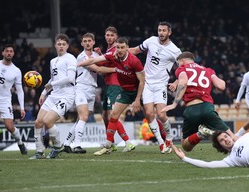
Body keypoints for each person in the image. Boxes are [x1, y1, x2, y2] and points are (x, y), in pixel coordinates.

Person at [78, 37, 145, 156]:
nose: (119, 50)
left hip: (137, 90)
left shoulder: (134, 61)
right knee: (112, 116)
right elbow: (93, 61)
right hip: (124, 91)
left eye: (122, 47)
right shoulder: (112, 55)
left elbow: (142, 81)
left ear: (127, 48)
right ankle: (109, 145)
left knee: (150, 115)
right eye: (118, 47)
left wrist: (137, 99)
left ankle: (164, 142)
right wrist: (77, 64)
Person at [161, 51, 237, 152]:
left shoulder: (182, 69)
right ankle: (245, 151)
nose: (178, 65)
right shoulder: (207, 70)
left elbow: (183, 83)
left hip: (192, 109)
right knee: (232, 135)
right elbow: (221, 86)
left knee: (186, 146)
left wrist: (174, 104)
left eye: (178, 63)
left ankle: (199, 134)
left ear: (183, 61)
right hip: (207, 108)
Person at [129, 21, 181, 154]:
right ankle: (161, 142)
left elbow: (183, 69)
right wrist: (118, 51)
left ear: (169, 32)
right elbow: (135, 50)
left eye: (164, 30)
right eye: (159, 30)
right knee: (149, 113)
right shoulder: (151, 41)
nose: (161, 33)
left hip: (160, 85)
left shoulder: (175, 50)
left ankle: (169, 136)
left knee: (161, 114)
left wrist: (176, 82)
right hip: (146, 83)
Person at [28, 33, 77, 159]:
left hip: (66, 95)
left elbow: (70, 78)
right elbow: (53, 78)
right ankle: (39, 152)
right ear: (55, 45)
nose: (61, 46)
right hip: (54, 95)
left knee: (47, 121)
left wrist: (52, 84)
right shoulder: (53, 61)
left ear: (67, 46)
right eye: (59, 44)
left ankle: (57, 146)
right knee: (38, 122)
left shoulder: (71, 58)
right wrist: (44, 93)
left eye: (63, 44)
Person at [61, 33, 112, 154]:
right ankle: (77, 145)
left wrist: (100, 54)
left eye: (90, 40)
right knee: (84, 117)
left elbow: (102, 70)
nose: (87, 43)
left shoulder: (96, 55)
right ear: (82, 43)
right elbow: (98, 69)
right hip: (81, 89)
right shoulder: (81, 57)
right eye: (85, 41)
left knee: (81, 118)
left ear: (94, 42)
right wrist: (116, 70)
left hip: (92, 90)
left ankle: (67, 143)